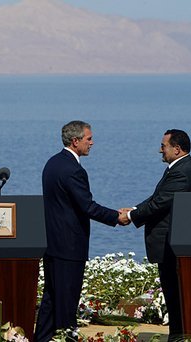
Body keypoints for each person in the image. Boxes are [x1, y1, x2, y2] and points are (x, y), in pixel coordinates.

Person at [34, 120, 129, 342]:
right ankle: (67, 338)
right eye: (88, 139)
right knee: (67, 301)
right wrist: (117, 217)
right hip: (69, 246)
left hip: (53, 243)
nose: (92, 143)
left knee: (51, 297)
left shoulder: (52, 163)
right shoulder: (73, 170)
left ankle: (42, 338)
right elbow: (87, 206)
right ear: (75, 141)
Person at [121, 129, 191, 341]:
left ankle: (179, 335)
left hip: (173, 244)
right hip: (172, 242)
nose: (160, 150)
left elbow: (161, 202)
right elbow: (157, 197)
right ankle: (178, 333)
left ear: (177, 149)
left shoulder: (182, 172)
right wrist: (133, 209)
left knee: (175, 293)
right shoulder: (178, 168)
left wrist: (131, 215)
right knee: (171, 291)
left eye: (163, 146)